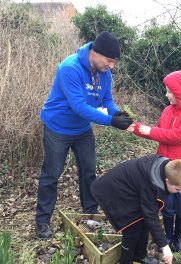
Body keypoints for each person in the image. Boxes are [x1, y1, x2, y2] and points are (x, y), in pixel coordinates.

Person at [35, 31, 133, 239]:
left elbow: (106, 101)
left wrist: (117, 114)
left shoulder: (105, 73)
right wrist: (110, 121)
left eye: (114, 62)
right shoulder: (69, 68)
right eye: (109, 60)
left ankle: (90, 213)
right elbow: (78, 106)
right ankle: (42, 221)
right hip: (58, 128)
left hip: (82, 130)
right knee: (51, 175)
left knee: (89, 172)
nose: (112, 66)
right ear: (95, 53)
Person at [128, 70, 181, 254]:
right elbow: (159, 132)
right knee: (167, 206)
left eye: (170, 91)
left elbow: (177, 136)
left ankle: (178, 239)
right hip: (165, 168)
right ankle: (168, 237)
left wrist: (148, 131)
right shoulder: (168, 110)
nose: (167, 94)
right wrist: (136, 128)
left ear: (180, 92)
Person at [90, 155, 181, 264]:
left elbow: (148, 216)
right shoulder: (150, 184)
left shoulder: (164, 169)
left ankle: (140, 256)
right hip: (114, 191)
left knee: (143, 222)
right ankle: (126, 261)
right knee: (131, 228)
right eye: (177, 189)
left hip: (132, 189)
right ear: (167, 181)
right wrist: (164, 246)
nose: (179, 192)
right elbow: (151, 216)